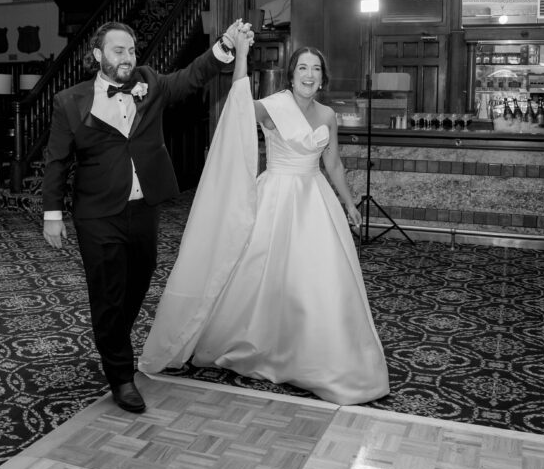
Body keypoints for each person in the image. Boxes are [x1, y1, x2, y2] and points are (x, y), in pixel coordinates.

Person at [139, 37, 390, 406]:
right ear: (291, 76)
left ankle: (316, 354)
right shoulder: (273, 107)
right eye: (302, 68)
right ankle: (254, 344)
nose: (309, 74)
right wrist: (240, 57)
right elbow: (239, 106)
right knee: (262, 272)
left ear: (323, 78)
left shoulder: (327, 115)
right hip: (274, 197)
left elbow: (332, 163)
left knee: (318, 280)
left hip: (315, 200)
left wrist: (349, 203)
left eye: (315, 69)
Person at [42, 19, 248, 414]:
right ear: (98, 55)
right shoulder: (70, 100)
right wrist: (53, 213)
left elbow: (191, 77)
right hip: (97, 212)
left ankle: (112, 339)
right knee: (107, 292)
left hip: (144, 207)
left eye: (132, 50)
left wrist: (225, 44)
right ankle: (121, 376)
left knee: (138, 280)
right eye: (119, 50)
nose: (128, 57)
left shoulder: (149, 82)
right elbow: (57, 162)